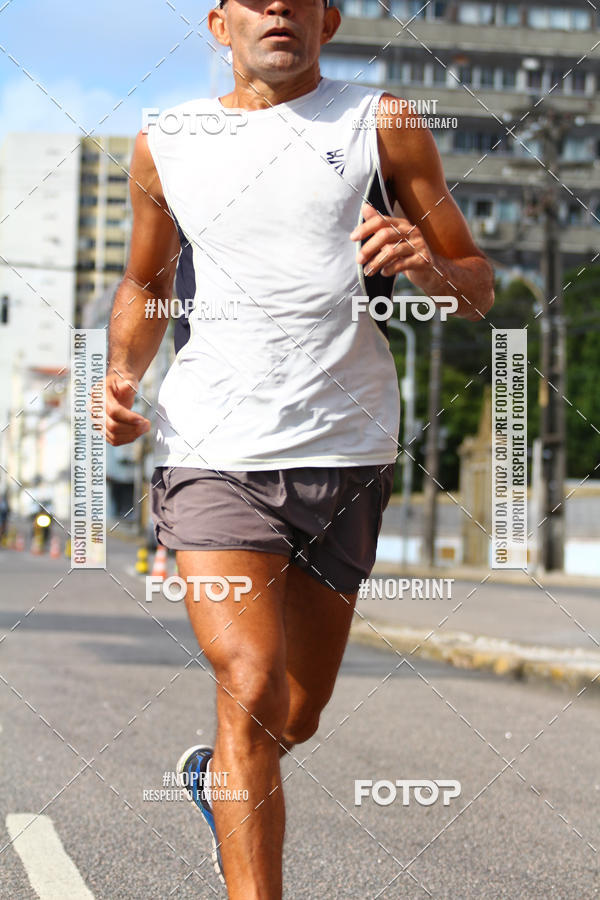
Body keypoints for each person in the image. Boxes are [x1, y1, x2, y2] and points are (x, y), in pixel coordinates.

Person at [103, 0, 494, 894]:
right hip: (214, 448)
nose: (276, 7)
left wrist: (429, 267)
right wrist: (123, 375)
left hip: (347, 449)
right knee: (249, 679)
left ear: (330, 20)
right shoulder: (167, 140)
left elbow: (476, 285)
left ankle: (218, 777)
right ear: (219, 26)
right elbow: (143, 279)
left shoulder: (381, 124)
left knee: (292, 713)